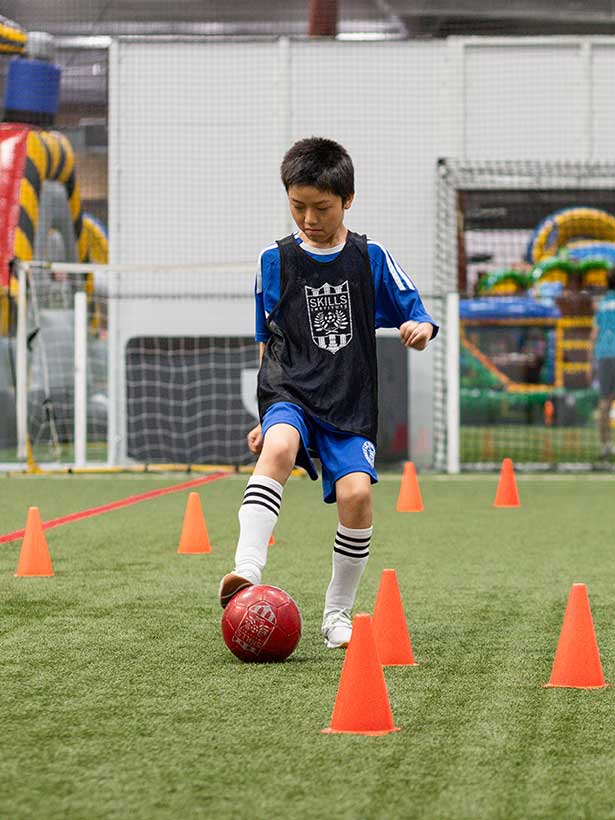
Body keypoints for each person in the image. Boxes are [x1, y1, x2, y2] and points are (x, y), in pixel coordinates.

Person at [219, 137, 438, 648]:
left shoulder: (370, 256)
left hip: (348, 398)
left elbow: (417, 312)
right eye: (298, 207)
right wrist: (266, 411)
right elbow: (265, 340)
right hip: (289, 387)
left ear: (348, 200)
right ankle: (245, 572)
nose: (308, 219)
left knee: (357, 496)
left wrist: (419, 331)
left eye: (321, 207)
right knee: (277, 448)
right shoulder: (272, 260)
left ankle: (336, 615)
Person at [592, 266, 615, 460]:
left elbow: (593, 335)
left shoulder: (602, 303)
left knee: (604, 403)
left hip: (604, 354)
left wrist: (588, 363)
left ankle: (605, 447)